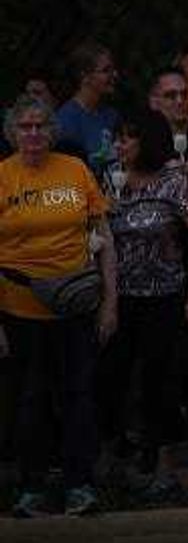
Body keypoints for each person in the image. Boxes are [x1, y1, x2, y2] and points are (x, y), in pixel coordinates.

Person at [0, 94, 118, 517]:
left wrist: (110, 304)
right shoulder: (2, 177)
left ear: (53, 131)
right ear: (12, 133)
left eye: (40, 126)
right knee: (29, 400)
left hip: (76, 306)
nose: (33, 134)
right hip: (20, 309)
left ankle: (80, 485)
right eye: (25, 127)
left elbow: (103, 237)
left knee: (79, 396)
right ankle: (31, 486)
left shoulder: (74, 170)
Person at [98, 107, 188, 495]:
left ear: (146, 141)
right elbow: (96, 235)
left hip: (165, 299)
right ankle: (113, 460)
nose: (119, 145)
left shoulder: (172, 183)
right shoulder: (110, 183)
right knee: (111, 379)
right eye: (117, 138)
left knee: (159, 382)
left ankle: (164, 468)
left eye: (127, 138)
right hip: (118, 299)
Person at [55, 41, 120, 179]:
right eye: (106, 70)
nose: (115, 75)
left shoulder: (112, 115)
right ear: (84, 77)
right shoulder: (66, 121)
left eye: (113, 69)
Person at [148, 68, 188, 161]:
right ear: (154, 101)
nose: (180, 101)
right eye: (170, 95)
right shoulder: (144, 146)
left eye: (185, 94)